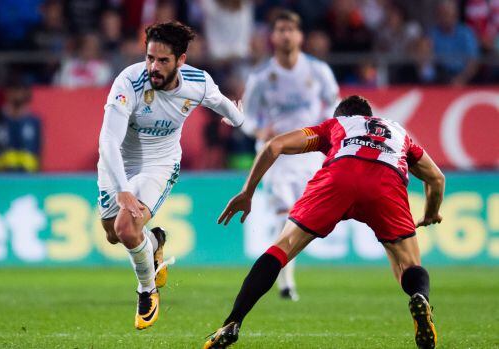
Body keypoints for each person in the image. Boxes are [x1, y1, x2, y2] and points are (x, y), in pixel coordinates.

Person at [203, 95, 444, 349]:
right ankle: (419, 296)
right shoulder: (399, 132)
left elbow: (274, 146)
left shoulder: (334, 125)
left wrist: (247, 192)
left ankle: (232, 322)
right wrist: (431, 212)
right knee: (408, 263)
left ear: (341, 116)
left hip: (338, 177)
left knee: (283, 247)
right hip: (386, 182)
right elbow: (436, 179)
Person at [97, 21, 244, 330]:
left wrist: (237, 119)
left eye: (163, 60)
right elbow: (108, 140)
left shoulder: (198, 83)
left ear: (181, 61)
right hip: (118, 162)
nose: (154, 66)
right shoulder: (129, 82)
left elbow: (223, 105)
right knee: (113, 234)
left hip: (159, 163)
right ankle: (154, 241)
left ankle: (147, 291)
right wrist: (122, 188)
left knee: (126, 227)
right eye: (150, 58)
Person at [240, 10, 339, 301]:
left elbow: (334, 104)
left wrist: (325, 130)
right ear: (272, 37)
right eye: (280, 29)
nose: (285, 35)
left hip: (309, 152)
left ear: (300, 36)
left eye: (290, 29)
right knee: (286, 213)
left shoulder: (317, 71)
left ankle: (285, 279)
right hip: (278, 153)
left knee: (303, 216)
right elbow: (244, 116)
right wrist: (258, 131)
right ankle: (286, 283)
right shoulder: (261, 76)